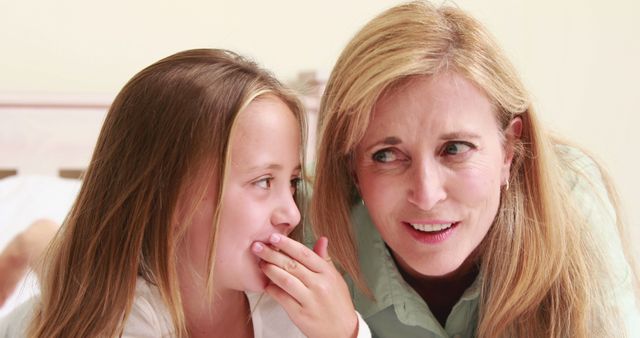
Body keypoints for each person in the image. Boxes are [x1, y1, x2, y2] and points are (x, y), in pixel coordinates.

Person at [311, 2, 639, 337]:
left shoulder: (568, 199)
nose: (426, 195)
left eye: (454, 149)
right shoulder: (308, 229)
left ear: (509, 150)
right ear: (350, 165)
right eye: (386, 155)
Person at [0, 48, 369, 338]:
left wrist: (345, 332)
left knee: (56, 260)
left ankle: (38, 241)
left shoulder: (292, 311)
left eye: (292, 182)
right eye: (262, 182)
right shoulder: (121, 322)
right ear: (170, 195)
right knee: (67, 276)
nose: (292, 214)